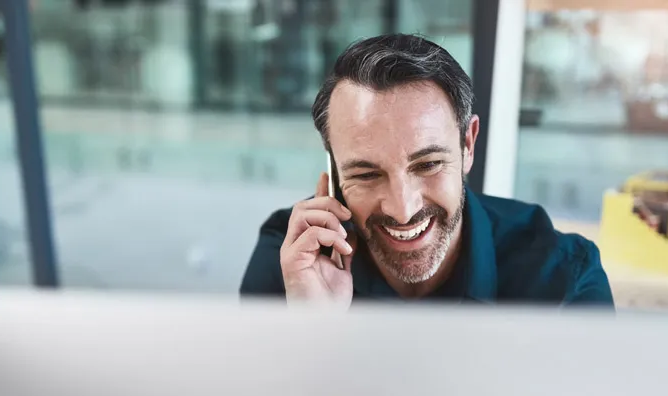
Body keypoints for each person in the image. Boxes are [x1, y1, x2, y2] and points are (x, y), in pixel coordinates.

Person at [240, 33, 614, 307]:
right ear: (333, 169)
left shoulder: (563, 279)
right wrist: (312, 330)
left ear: (468, 145)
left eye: (429, 164)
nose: (402, 209)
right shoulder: (290, 261)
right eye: (366, 174)